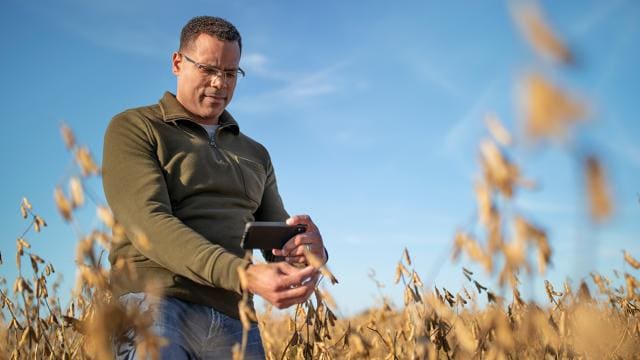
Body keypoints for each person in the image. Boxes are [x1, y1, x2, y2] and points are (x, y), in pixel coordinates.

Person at [102, 16, 328, 359]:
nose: (219, 83)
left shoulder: (256, 154)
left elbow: (274, 240)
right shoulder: (136, 128)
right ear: (178, 63)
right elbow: (149, 223)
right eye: (208, 69)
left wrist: (308, 251)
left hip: (235, 315)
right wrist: (245, 274)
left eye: (230, 73)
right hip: (154, 302)